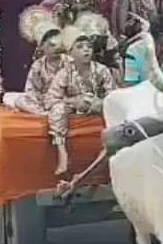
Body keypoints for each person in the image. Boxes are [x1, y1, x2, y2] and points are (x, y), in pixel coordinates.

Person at [47, 36, 118, 176]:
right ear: (70, 53)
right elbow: (51, 99)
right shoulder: (64, 73)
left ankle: (111, 152)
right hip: (73, 107)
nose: (86, 50)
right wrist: (74, 101)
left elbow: (114, 96)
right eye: (80, 47)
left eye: (89, 47)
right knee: (57, 109)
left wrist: (99, 102)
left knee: (114, 110)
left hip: (97, 106)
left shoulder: (102, 70)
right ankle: (62, 153)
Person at [3, 27, 65, 114]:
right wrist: (42, 99)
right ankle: (45, 113)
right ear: (43, 46)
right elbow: (31, 89)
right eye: (52, 45)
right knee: (19, 101)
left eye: (59, 45)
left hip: (62, 99)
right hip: (42, 101)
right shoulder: (38, 65)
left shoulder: (69, 62)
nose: (56, 48)